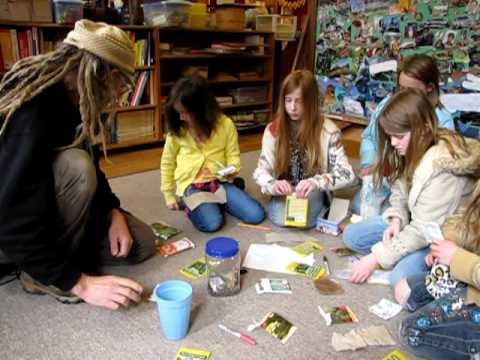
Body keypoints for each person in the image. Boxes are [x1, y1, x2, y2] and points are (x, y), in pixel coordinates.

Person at [0, 20, 157, 310]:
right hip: (11, 228)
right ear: (105, 74)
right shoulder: (31, 110)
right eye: (124, 82)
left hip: (47, 207)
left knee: (142, 242)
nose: (123, 91)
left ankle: (60, 256)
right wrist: (78, 282)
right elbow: (11, 213)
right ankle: (38, 274)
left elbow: (95, 165)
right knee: (77, 166)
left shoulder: (77, 97)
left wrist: (113, 211)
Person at [343, 89, 479, 287]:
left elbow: (422, 230)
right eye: (390, 136)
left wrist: (374, 259)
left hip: (441, 236)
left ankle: (412, 258)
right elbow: (400, 186)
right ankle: (399, 250)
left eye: (398, 136)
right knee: (352, 236)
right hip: (416, 221)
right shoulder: (415, 146)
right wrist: (397, 217)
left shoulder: (444, 168)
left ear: (423, 129)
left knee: (401, 278)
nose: (393, 143)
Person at [352, 54, 455, 215]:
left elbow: (441, 171)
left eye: (411, 90)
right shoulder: (387, 105)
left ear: (430, 87)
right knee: (359, 206)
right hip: (385, 179)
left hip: (415, 187)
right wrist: (369, 165)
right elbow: (370, 137)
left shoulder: (442, 120)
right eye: (400, 88)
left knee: (396, 215)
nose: (403, 94)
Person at [160, 75, 265, 232]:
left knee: (255, 215)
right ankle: (193, 204)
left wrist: (232, 170)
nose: (181, 117)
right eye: (179, 112)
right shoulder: (177, 130)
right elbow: (167, 163)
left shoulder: (225, 125)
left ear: (202, 110)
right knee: (212, 224)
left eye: (186, 112)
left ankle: (219, 200)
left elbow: (233, 157)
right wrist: (169, 194)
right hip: (192, 185)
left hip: (219, 181)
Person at [253, 70, 356, 228]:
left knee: (306, 221)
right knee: (281, 218)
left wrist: (316, 182)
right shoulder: (273, 130)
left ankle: (322, 203)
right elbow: (260, 171)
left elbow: (347, 173)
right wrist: (273, 184)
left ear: (311, 102)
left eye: (299, 101)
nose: (292, 108)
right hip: (285, 190)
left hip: (312, 189)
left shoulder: (329, 131)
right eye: (288, 100)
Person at [397, 180, 480, 359]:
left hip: (473, 279)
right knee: (405, 290)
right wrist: (447, 245)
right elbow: (466, 218)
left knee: (412, 331)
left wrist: (456, 257)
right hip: (473, 281)